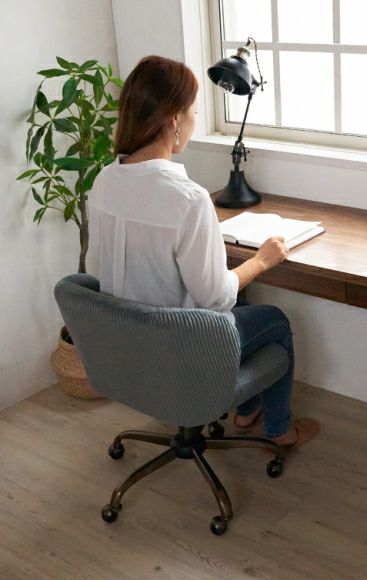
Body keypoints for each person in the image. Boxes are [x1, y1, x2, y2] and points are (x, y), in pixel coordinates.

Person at [88, 55, 318, 448]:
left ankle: (246, 410)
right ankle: (280, 431)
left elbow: (106, 266)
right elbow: (216, 298)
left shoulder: (105, 181)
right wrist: (261, 260)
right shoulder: (188, 199)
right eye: (194, 111)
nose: (195, 120)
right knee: (275, 321)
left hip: (127, 347)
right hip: (179, 351)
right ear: (174, 120)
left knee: (245, 308)